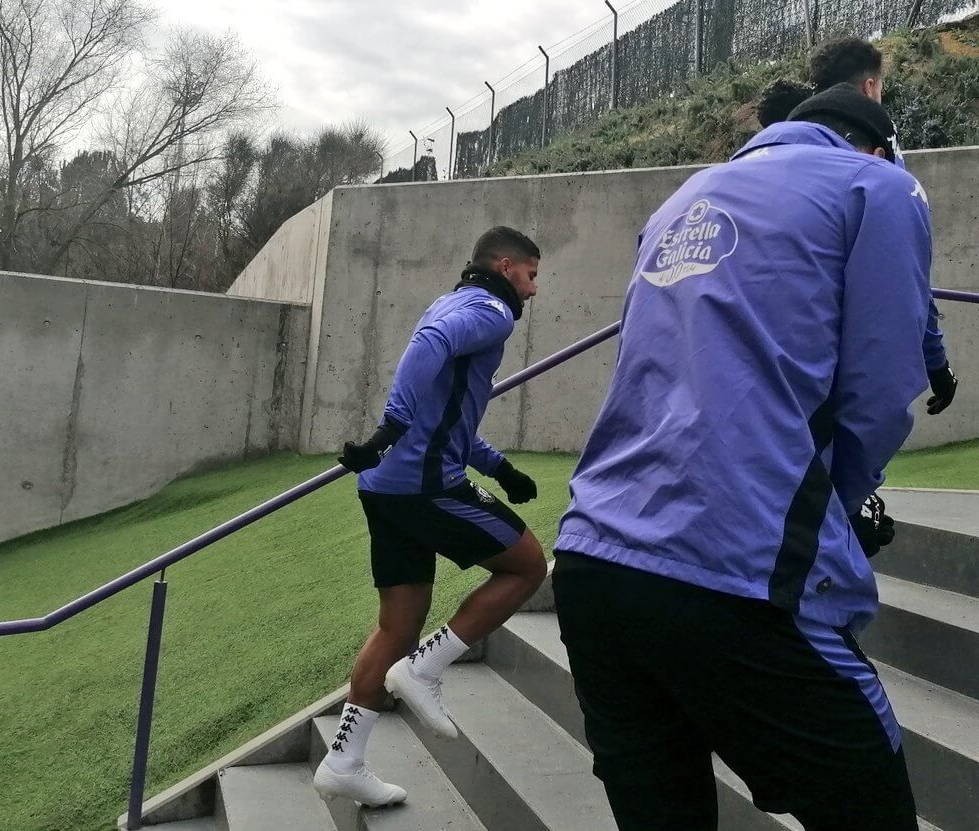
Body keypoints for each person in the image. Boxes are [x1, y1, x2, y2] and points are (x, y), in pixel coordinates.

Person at [553, 85, 932, 831]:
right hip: (736, 567)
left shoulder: (682, 199)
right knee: (873, 806)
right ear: (875, 146)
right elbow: (883, 389)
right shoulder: (879, 185)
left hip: (593, 557)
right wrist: (840, 506)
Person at [313, 226, 547, 806]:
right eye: (531, 274)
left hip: (384, 487)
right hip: (424, 486)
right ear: (504, 266)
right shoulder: (492, 312)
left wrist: (500, 468)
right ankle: (423, 670)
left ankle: (344, 761)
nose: (533, 289)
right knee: (527, 566)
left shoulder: (449, 300)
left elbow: (447, 413)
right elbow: (429, 347)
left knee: (397, 626)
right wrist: (389, 426)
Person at [757, 37, 957, 414]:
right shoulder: (878, 160)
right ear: (869, 87)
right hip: (830, 360)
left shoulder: (749, 167)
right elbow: (903, 271)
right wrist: (936, 360)